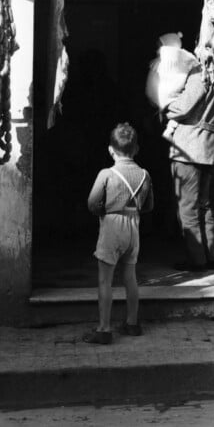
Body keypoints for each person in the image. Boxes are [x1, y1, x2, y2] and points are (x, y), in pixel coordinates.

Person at [83, 122, 154, 344]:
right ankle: (132, 324)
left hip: (112, 225)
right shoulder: (145, 174)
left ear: (111, 150)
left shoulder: (107, 174)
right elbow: (149, 205)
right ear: (137, 149)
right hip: (134, 226)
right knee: (130, 277)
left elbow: (92, 203)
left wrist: (105, 212)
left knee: (105, 280)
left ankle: (104, 329)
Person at [165, 55, 214, 271]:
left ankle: (197, 260)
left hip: (190, 147)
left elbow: (184, 107)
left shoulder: (200, 74)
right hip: (211, 146)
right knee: (204, 204)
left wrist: (166, 104)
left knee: (187, 208)